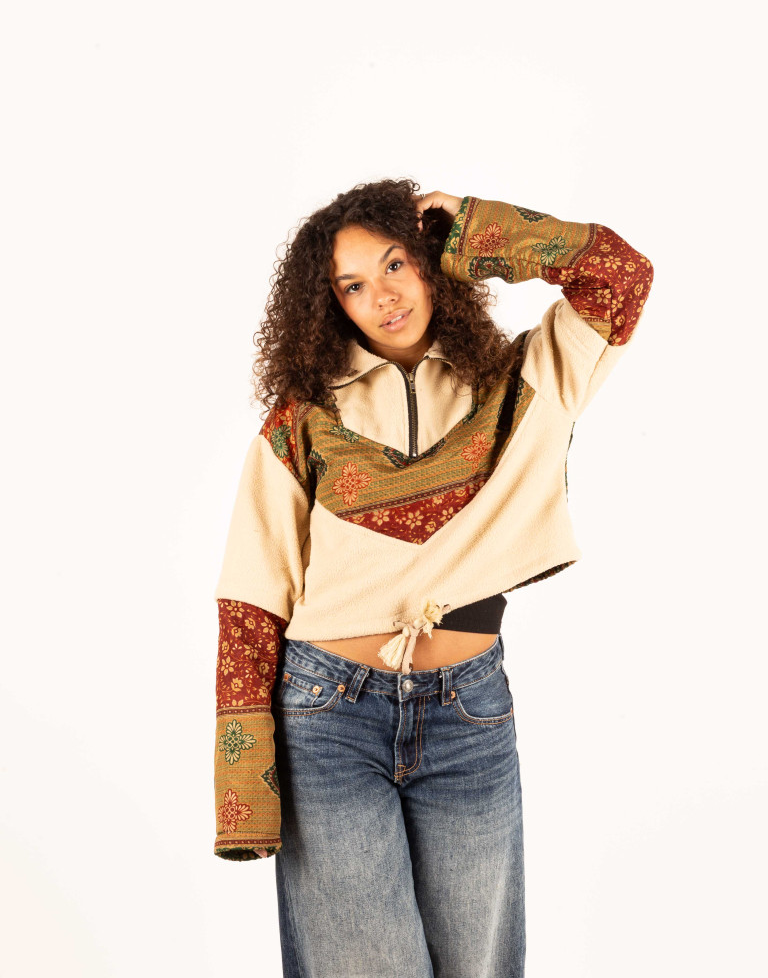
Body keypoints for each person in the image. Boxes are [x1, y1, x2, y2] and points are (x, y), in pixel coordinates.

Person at [212, 179, 654, 978]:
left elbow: (621, 276)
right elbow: (251, 598)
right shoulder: (302, 422)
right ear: (330, 304)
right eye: (352, 285)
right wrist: (244, 787)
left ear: (432, 261)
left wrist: (478, 228)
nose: (382, 296)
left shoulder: (529, 382)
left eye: (395, 264)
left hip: (468, 716)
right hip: (328, 718)